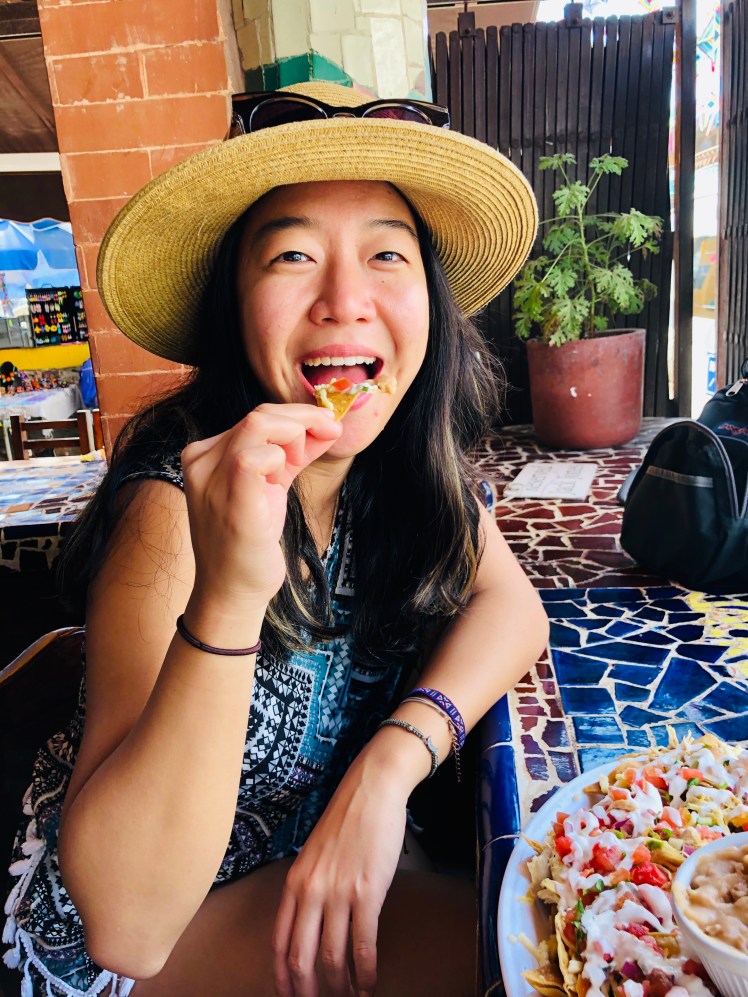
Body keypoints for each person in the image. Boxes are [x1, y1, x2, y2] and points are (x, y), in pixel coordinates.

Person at [3, 81, 548, 997]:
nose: (346, 299)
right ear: (235, 307)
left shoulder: (405, 468)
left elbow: (513, 605)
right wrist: (229, 592)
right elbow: (126, 927)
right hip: (112, 950)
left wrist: (388, 769)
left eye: (388, 254)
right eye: (292, 255)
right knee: (521, 944)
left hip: (288, 880)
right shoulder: (170, 508)